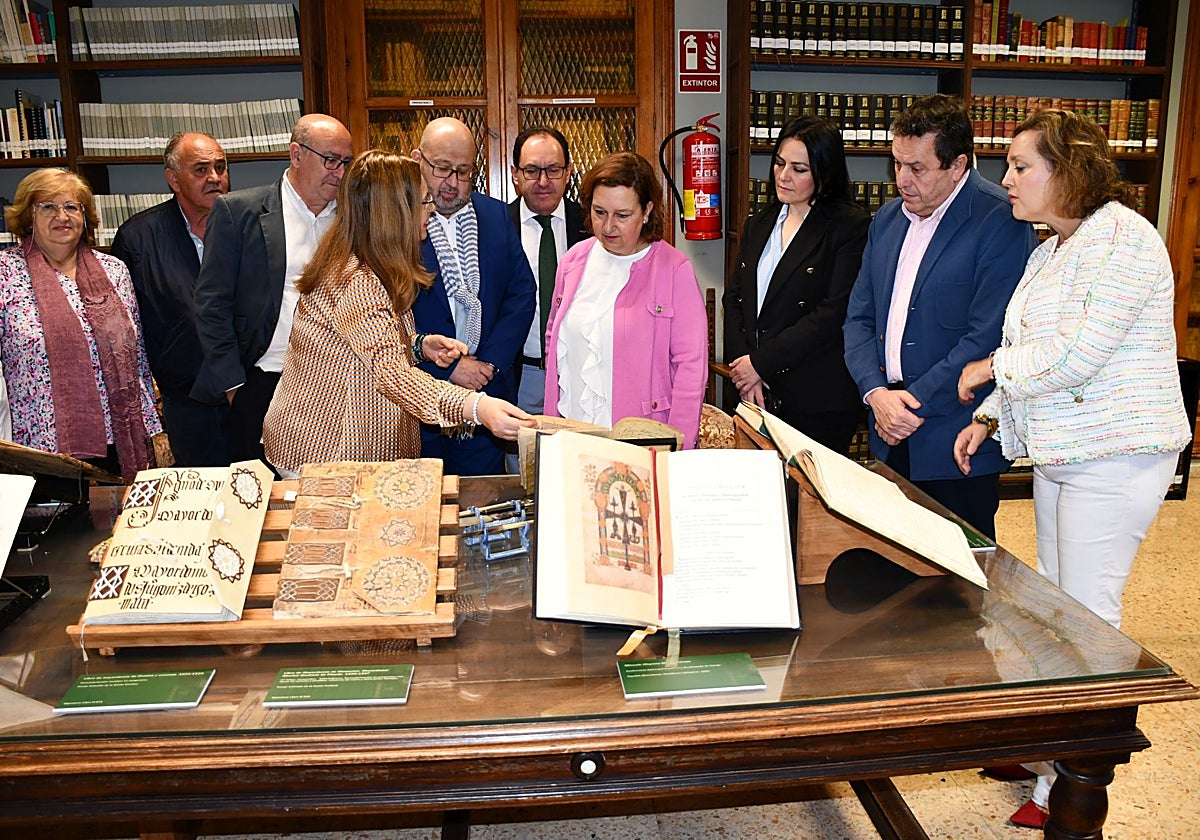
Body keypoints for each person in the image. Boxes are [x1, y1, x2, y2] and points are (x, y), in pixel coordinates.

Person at [952, 108, 1191, 830]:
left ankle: (1074, 783)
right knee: (1057, 609)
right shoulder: (1053, 247)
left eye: (1022, 165)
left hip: (1116, 452)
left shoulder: (1123, 236)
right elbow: (1040, 347)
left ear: (1069, 169)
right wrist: (991, 413)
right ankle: (1052, 743)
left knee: (1090, 619)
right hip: (1067, 448)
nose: (1008, 180)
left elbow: (1078, 355)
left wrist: (992, 370)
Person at [262, 151, 534, 475]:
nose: (432, 210)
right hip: (329, 455)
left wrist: (419, 345)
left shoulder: (370, 266)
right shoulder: (357, 280)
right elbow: (392, 373)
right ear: (395, 212)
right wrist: (477, 407)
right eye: (423, 201)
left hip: (350, 450)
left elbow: (364, 345)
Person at [843, 94, 1037, 539]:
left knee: (961, 585)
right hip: (887, 425)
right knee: (896, 567)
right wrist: (875, 393)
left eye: (917, 168)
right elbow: (858, 317)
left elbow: (988, 337)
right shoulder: (888, 219)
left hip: (955, 439)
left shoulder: (1001, 220)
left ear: (957, 166)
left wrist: (909, 404)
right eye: (896, 164)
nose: (902, 180)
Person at [192, 113, 353, 465]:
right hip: (264, 382)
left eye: (345, 162)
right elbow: (210, 306)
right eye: (330, 160)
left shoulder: (351, 220)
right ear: (296, 154)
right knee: (263, 502)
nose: (339, 173)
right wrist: (236, 388)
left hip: (335, 388)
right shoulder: (239, 212)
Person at [0, 168, 160, 481]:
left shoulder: (114, 271)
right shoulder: (5, 273)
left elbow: (137, 361)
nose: (62, 215)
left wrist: (154, 431)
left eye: (72, 206)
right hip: (41, 446)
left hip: (121, 440)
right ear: (27, 216)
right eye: (47, 206)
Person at [723, 115, 870, 455]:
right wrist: (743, 368)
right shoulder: (759, 222)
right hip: (752, 389)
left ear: (825, 172)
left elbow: (832, 315)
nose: (783, 176)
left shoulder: (850, 226)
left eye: (799, 169)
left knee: (806, 504)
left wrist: (760, 363)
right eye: (779, 163)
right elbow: (734, 300)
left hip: (814, 396)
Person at [543, 151, 707, 448]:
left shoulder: (674, 269)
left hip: (643, 439)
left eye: (622, 215)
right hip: (574, 430)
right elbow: (555, 343)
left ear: (646, 212)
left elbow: (690, 369)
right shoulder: (572, 262)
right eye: (599, 212)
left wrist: (677, 446)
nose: (607, 227)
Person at [412, 117, 536, 475]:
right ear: (417, 159)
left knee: (483, 510)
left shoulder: (495, 215)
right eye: (442, 169)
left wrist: (488, 365)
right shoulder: (400, 220)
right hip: (421, 402)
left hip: (487, 394)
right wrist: (451, 367)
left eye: (463, 172)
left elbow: (522, 293)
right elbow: (390, 318)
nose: (452, 183)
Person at [110, 131, 233, 467]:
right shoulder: (138, 238)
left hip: (250, 395)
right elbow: (128, 326)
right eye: (201, 170)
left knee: (260, 495)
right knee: (200, 502)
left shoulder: (250, 225)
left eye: (221, 168)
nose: (215, 178)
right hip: (185, 401)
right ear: (173, 179)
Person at [507, 126, 590, 418]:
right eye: (532, 170)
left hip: (580, 372)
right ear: (515, 174)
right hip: (518, 374)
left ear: (568, 173)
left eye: (553, 169)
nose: (543, 181)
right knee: (517, 460)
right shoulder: (498, 225)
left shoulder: (594, 226)